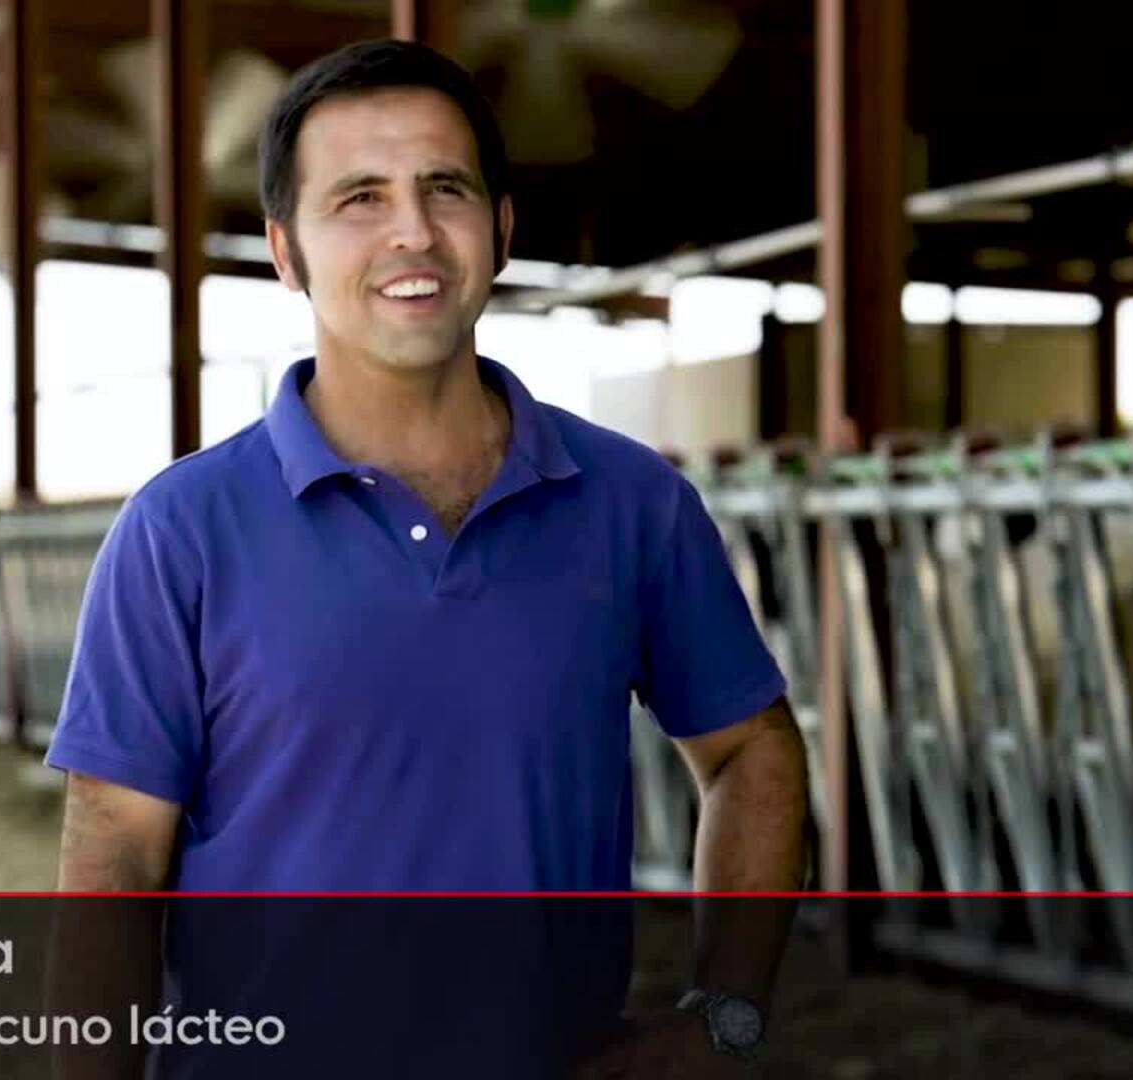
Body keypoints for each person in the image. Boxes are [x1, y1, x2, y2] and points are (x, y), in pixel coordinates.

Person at [46, 38, 808, 1078]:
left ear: (501, 229)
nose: (412, 230)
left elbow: (751, 750)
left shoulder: (634, 504)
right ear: (285, 252)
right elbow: (116, 856)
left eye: (445, 188)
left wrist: (727, 1013)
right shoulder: (181, 529)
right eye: (359, 198)